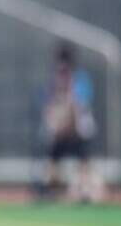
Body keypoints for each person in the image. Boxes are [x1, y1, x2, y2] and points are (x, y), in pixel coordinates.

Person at [40, 43, 102, 203]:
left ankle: (85, 191)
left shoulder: (79, 79)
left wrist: (66, 122)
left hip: (78, 129)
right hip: (61, 130)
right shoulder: (56, 79)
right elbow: (51, 105)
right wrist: (55, 124)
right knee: (54, 158)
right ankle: (52, 190)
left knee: (83, 160)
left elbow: (80, 106)